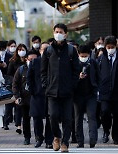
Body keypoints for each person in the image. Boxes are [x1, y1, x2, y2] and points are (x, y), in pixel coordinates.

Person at [41, 23, 79, 152]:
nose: (58, 34)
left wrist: (72, 84)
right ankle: (57, 136)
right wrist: (46, 83)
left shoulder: (71, 50)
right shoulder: (48, 50)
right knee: (53, 115)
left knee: (68, 118)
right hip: (52, 90)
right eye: (56, 31)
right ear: (53, 33)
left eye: (61, 32)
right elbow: (43, 70)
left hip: (67, 91)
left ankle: (65, 143)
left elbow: (76, 69)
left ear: (65, 34)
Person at [27, 42, 53, 148]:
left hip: (51, 94)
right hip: (37, 94)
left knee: (50, 118)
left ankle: (49, 140)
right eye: (43, 49)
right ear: (40, 50)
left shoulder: (54, 61)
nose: (46, 51)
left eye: (48, 49)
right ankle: (39, 138)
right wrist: (32, 90)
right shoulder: (35, 62)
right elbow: (29, 77)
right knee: (37, 118)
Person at [74, 45, 99, 148]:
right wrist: (78, 77)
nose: (83, 57)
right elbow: (71, 78)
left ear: (89, 55)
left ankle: (93, 140)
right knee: (78, 118)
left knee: (92, 116)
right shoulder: (74, 63)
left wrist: (97, 90)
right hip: (77, 94)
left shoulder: (93, 63)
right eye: (81, 55)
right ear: (78, 54)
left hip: (91, 94)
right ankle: (80, 141)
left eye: (85, 55)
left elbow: (98, 76)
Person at [12, 51, 37, 145]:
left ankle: (38, 136)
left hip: (36, 98)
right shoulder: (21, 69)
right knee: (26, 119)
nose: (33, 61)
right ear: (26, 59)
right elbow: (15, 84)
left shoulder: (40, 69)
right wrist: (17, 96)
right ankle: (27, 137)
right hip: (24, 99)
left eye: (35, 59)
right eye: (31, 59)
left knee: (37, 119)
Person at [99, 36, 118, 145]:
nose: (110, 49)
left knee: (117, 114)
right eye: (108, 47)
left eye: (112, 47)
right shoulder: (102, 58)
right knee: (105, 112)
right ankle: (106, 130)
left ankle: (116, 136)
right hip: (104, 91)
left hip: (116, 91)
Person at [6, 44, 28, 133]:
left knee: (23, 108)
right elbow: (9, 73)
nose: (21, 51)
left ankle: (22, 125)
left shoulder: (28, 61)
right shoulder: (13, 61)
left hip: (26, 87)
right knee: (18, 106)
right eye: (19, 50)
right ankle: (18, 125)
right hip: (16, 85)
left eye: (23, 49)